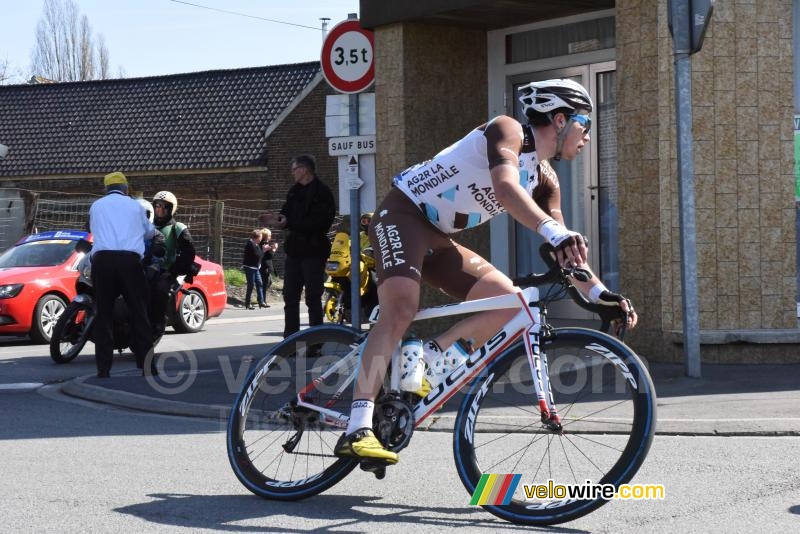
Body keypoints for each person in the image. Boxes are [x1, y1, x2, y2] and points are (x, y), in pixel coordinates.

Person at [333, 79, 638, 464]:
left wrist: (599, 295)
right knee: (401, 307)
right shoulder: (508, 130)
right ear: (561, 120)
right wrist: (553, 231)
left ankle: (428, 356)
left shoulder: (546, 180)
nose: (588, 137)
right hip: (402, 215)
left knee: (512, 304)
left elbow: (564, 249)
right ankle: (356, 425)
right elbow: (506, 187)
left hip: (438, 237)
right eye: (586, 125)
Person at [258, 155, 336, 338]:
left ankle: (315, 341)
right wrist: (277, 221)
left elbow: (320, 222)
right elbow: (286, 215)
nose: (293, 173)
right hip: (294, 251)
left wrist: (289, 222)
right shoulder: (294, 191)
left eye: (295, 169)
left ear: (304, 169)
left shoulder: (322, 192)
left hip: (314, 251)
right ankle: (291, 339)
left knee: (313, 297)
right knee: (290, 296)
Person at [88, 172, 156, 378]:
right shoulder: (136, 206)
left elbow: (93, 229)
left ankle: (103, 368)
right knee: (139, 312)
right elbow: (149, 233)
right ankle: (146, 367)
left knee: (104, 314)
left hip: (102, 261)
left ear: (105, 189)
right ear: (126, 188)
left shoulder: (96, 206)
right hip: (129, 261)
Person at [149, 190, 196, 338]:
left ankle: (158, 323)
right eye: (157, 206)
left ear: (171, 209)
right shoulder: (147, 226)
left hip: (167, 270)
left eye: (165, 207)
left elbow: (189, 252)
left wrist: (173, 271)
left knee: (159, 289)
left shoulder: (178, 228)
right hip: (146, 267)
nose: (160, 209)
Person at [242, 229, 266, 309]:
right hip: (250, 268)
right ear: (257, 237)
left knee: (259, 283)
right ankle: (248, 303)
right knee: (251, 285)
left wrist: (262, 251)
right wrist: (264, 250)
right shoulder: (250, 244)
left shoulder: (255, 244)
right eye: (261, 237)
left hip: (255, 268)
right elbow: (257, 255)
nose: (261, 239)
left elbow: (259, 255)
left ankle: (261, 301)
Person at [258, 228, 277, 306]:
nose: (270, 237)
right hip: (265, 266)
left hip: (264, 266)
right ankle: (263, 301)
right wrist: (274, 249)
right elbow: (269, 256)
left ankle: (261, 298)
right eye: (269, 235)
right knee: (265, 283)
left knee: (267, 282)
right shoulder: (265, 244)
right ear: (266, 236)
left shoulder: (260, 243)